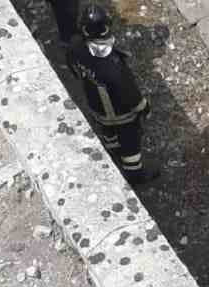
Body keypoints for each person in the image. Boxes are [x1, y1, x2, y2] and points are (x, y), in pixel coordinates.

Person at [66, 6, 160, 186]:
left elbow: (72, 67)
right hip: (120, 113)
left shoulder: (75, 45)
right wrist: (143, 108)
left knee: (108, 132)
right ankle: (135, 175)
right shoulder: (113, 63)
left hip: (96, 106)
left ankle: (112, 148)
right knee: (130, 143)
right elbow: (129, 91)